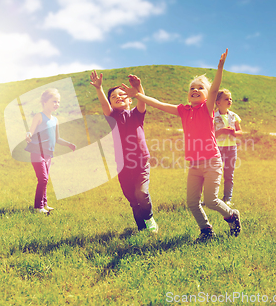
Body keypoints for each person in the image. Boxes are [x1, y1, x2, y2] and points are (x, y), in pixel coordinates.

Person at [121, 49, 241, 240]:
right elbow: (158, 103)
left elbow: (215, 87)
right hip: (194, 164)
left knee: (210, 200)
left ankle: (232, 215)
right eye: (192, 87)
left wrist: (220, 68)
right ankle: (206, 230)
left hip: (212, 162)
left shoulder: (207, 108)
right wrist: (138, 95)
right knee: (192, 202)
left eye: (200, 88)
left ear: (207, 94)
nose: (195, 90)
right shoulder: (183, 110)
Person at [89, 70, 158, 233]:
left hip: (140, 163)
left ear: (130, 99)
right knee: (132, 200)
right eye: (113, 97)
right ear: (111, 103)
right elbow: (104, 106)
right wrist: (99, 89)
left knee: (141, 193)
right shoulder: (112, 117)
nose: (118, 97)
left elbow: (142, 102)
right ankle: (141, 229)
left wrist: (139, 88)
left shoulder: (136, 114)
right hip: (122, 166)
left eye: (122, 94)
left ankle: (149, 219)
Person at [25, 88, 76, 214]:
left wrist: (68, 144)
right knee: (43, 179)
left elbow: (57, 138)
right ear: (44, 102)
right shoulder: (39, 116)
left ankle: (45, 203)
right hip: (37, 152)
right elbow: (31, 130)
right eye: (54, 101)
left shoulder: (55, 120)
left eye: (58, 102)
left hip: (48, 154)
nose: (56, 104)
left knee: (45, 179)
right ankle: (38, 207)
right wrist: (28, 134)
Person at [214, 89, 242, 206]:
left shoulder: (234, 116)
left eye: (230, 99)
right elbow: (211, 134)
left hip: (231, 148)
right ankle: (212, 198)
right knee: (215, 174)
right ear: (218, 102)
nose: (229, 100)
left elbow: (240, 131)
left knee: (229, 174)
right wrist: (222, 131)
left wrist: (234, 133)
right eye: (226, 99)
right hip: (217, 149)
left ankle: (227, 199)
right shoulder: (213, 117)